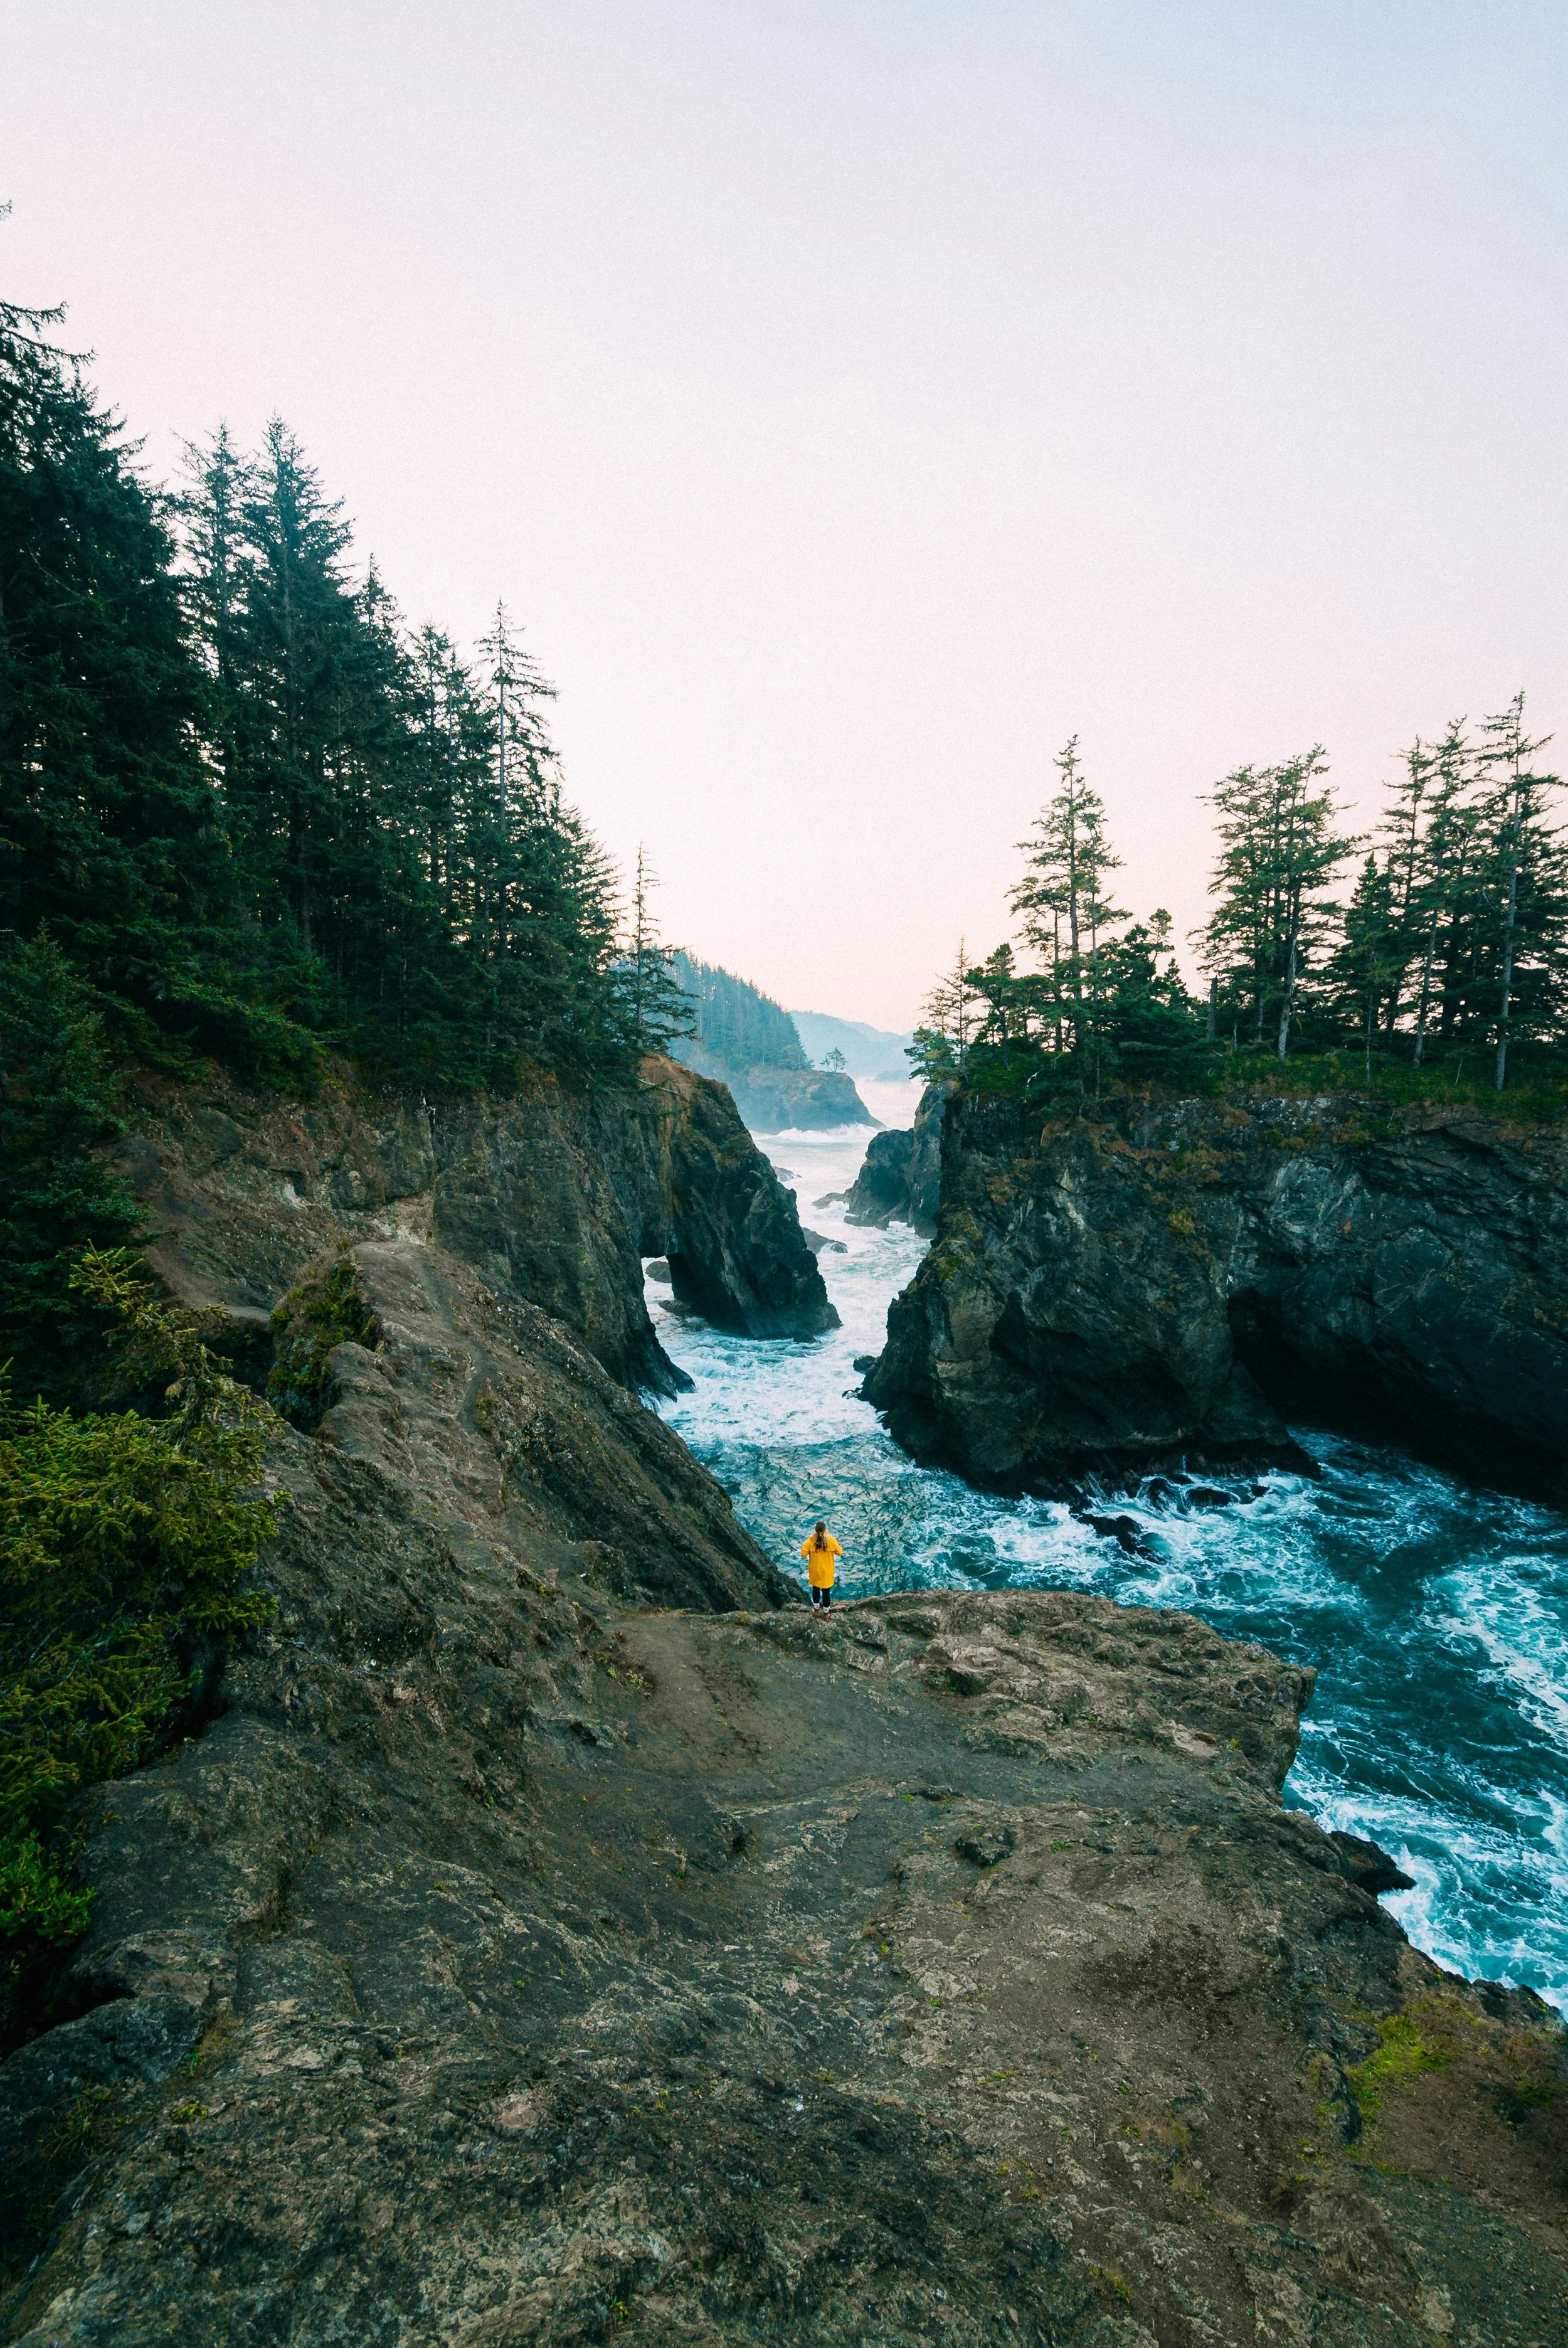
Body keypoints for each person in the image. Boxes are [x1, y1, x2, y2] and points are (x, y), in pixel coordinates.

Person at [800, 1519, 842, 1613]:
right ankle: (826, 1613)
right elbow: (840, 1553)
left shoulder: (811, 1541)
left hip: (815, 1571)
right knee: (826, 1592)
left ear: (815, 1530)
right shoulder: (831, 1540)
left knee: (815, 1590)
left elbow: (803, 1554)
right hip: (827, 1571)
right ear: (825, 1529)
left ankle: (816, 1610)